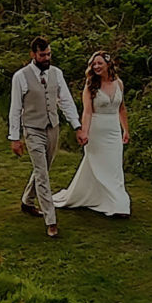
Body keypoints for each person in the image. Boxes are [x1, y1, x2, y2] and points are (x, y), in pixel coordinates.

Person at [7, 36, 81, 237]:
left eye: (49, 54)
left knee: (44, 169)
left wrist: (77, 126)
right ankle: (51, 220)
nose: (47, 58)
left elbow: (65, 101)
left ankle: (27, 201)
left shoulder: (57, 74)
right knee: (42, 174)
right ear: (33, 55)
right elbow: (15, 109)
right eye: (42, 55)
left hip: (53, 128)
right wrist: (14, 138)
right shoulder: (20, 77)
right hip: (32, 129)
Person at [56, 50, 133, 218]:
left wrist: (125, 129)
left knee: (114, 167)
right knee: (99, 166)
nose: (96, 66)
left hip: (113, 130)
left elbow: (121, 108)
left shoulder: (118, 83)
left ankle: (112, 200)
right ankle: (118, 204)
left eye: (99, 63)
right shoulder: (91, 86)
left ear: (108, 64)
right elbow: (88, 112)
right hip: (97, 131)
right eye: (93, 64)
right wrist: (84, 132)